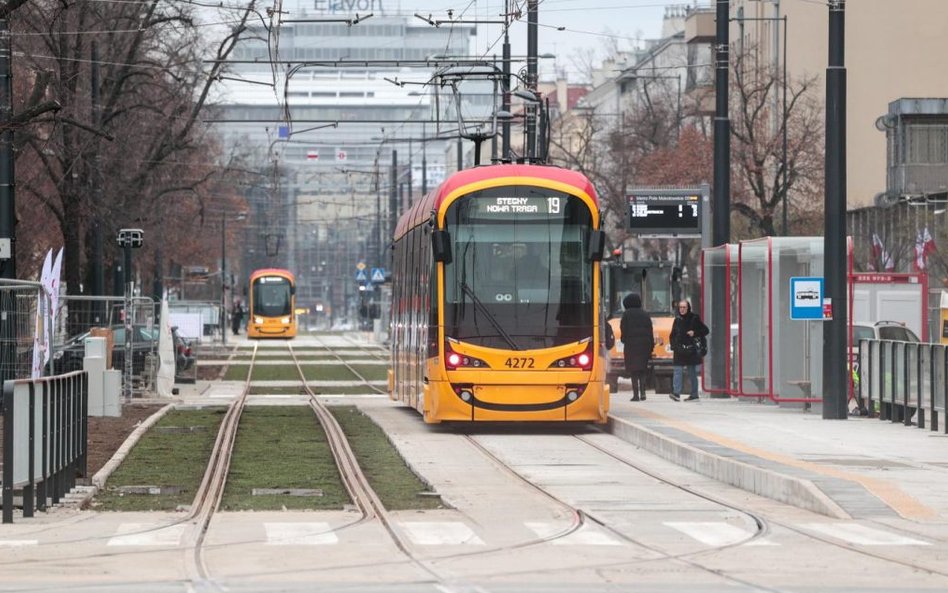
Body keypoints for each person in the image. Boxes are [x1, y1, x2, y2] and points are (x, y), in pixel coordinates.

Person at [669, 299, 709, 401]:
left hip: (691, 350)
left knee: (691, 372)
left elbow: (705, 330)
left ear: (688, 308)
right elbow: (672, 335)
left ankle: (694, 394)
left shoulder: (694, 318)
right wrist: (674, 346)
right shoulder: (677, 320)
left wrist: (694, 332)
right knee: (677, 370)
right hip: (679, 350)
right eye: (680, 307)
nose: (682, 310)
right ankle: (676, 393)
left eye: (684, 307)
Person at [620, 293, 655, 402]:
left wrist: (624, 339)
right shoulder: (645, 314)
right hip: (645, 345)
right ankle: (643, 393)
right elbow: (650, 330)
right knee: (642, 370)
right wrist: (651, 345)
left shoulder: (626, 315)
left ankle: (636, 395)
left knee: (633, 371)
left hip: (631, 346)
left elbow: (623, 329)